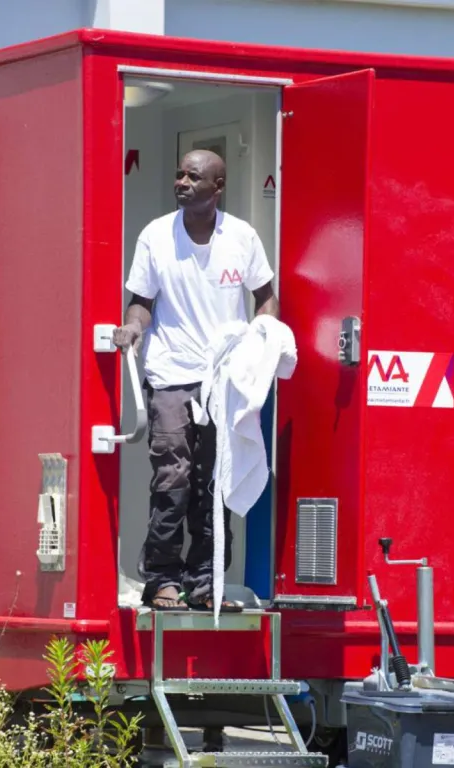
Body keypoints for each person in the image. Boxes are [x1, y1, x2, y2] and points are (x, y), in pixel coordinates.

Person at [115, 149, 279, 615]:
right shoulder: (156, 236)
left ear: (217, 187)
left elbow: (266, 299)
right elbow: (141, 301)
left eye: (193, 176)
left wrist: (262, 342)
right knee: (173, 477)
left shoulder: (242, 238)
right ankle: (161, 579)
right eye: (178, 174)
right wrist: (133, 328)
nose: (182, 182)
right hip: (170, 375)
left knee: (213, 483)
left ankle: (206, 583)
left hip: (223, 381)